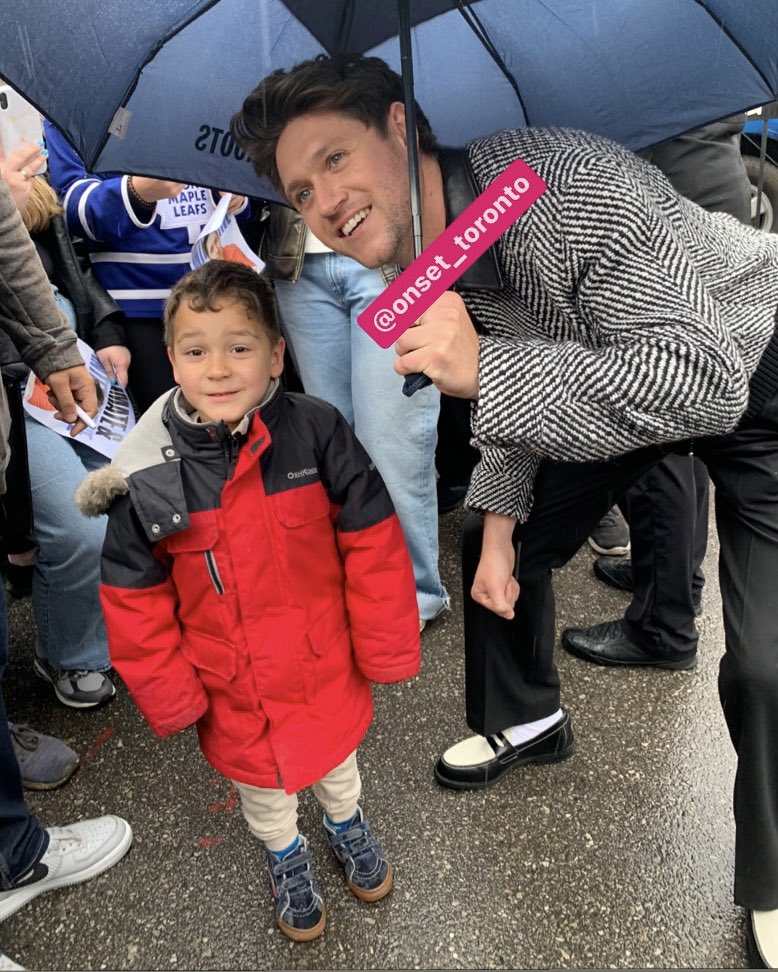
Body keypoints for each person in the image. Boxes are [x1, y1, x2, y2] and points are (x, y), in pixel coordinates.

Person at [232, 54, 778, 967]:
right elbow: (529, 403)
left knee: (764, 666)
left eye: (334, 158)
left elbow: (701, 378)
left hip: (748, 369)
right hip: (608, 382)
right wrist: (496, 533)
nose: (323, 200)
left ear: (400, 127)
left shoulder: (567, 182)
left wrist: (483, 367)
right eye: (299, 186)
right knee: (501, 539)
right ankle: (525, 718)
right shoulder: (439, 253)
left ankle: (773, 876)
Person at [75, 260, 421, 942]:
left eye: (241, 346)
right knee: (264, 788)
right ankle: (285, 853)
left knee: (336, 762)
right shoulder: (146, 479)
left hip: (322, 661)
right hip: (232, 680)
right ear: (171, 359)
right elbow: (134, 604)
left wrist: (383, 643)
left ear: (276, 355)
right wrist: (174, 695)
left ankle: (345, 822)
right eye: (198, 350)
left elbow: (372, 545)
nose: (220, 368)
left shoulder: (317, 433)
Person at [0, 161, 132, 972]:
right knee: (77, 527)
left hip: (35, 382)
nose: (29, 159)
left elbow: (46, 268)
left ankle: (13, 849)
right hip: (20, 389)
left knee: (105, 509)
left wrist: (72, 342)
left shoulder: (33, 208)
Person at [563, 116, 753, 669]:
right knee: (687, 435)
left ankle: (661, 628)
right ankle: (674, 579)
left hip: (665, 222)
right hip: (704, 194)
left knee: (653, 441)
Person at [261, 204, 448, 629]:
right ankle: (360, 576)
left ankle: (415, 590)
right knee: (333, 441)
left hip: (392, 259)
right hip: (298, 261)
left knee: (393, 438)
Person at [0, 142, 120, 708]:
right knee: (79, 524)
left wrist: (109, 333)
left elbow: (75, 275)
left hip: (75, 372)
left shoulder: (36, 195)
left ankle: (119, 628)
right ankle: (72, 654)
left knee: (135, 493)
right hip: (14, 388)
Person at [44, 121, 248, 414]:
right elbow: (71, 209)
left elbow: (247, 197)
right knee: (172, 429)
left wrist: (236, 198)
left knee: (239, 422)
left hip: (221, 294)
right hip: (139, 307)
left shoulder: (205, 98)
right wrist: (137, 191)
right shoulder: (79, 110)